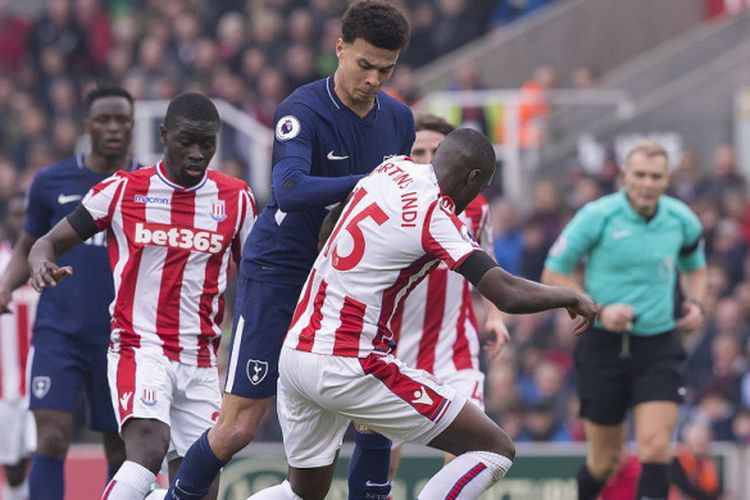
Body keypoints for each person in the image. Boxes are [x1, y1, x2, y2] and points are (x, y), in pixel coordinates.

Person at [248, 128, 597, 499]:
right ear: (473, 179)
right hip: (349, 361)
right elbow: (506, 293)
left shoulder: (390, 171)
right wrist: (569, 296)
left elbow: (329, 228)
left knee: (301, 494)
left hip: (298, 352)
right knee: (495, 448)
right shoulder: (436, 215)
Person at [166, 3, 414, 500]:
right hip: (282, 271)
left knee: (372, 413)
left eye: (385, 70)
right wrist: (373, 181)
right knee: (239, 426)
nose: (373, 79)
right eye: (364, 65)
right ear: (339, 48)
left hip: (349, 280)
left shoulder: (400, 120)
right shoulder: (302, 110)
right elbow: (289, 188)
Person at [26, 92, 257, 500]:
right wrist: (41, 261)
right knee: (148, 449)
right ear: (164, 135)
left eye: (207, 144)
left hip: (201, 361)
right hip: (139, 347)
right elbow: (49, 240)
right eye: (187, 141)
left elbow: (258, 273)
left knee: (200, 487)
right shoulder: (121, 190)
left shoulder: (236, 200)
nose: (198, 153)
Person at [541, 139, 707, 500]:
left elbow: (696, 269)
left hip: (659, 343)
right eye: (641, 175)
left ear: (667, 179)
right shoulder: (596, 216)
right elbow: (554, 273)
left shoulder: (681, 220)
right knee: (605, 459)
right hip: (603, 346)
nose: (648, 183)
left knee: (656, 445)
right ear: (624, 176)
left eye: (656, 176)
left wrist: (696, 303)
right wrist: (598, 309)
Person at [0, 85, 138, 499]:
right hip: (58, 331)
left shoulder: (148, 184)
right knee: (52, 438)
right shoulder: (50, 182)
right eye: (103, 120)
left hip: (121, 337)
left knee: (120, 445)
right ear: (87, 125)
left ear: (133, 125)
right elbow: (28, 247)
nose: (112, 128)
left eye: (120, 120)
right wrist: (6, 286)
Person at [386, 114, 509, 479]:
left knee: (469, 453)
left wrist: (496, 315)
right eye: (418, 151)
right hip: (390, 350)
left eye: (436, 151)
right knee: (382, 466)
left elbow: (488, 261)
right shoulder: (390, 203)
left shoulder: (476, 209)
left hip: (454, 348)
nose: (427, 160)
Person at [0, 192, 37, 500]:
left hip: (41, 377)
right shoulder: (0, 263)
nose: (22, 221)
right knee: (13, 466)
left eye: (27, 214)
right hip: (4, 385)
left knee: (44, 450)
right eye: (16, 215)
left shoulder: (46, 260)